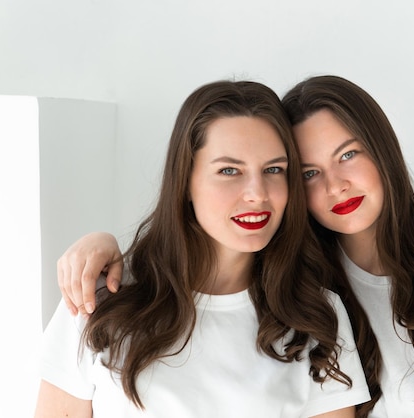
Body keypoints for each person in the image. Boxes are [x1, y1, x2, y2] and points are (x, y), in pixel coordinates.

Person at [56, 75, 414, 417]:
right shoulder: (304, 277)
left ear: (384, 150)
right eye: (308, 172)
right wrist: (104, 246)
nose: (335, 186)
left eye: (349, 155)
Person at [35, 80, 371, 418]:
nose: (257, 193)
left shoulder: (317, 316)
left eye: (273, 170)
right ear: (186, 183)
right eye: (229, 170)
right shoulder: (98, 298)